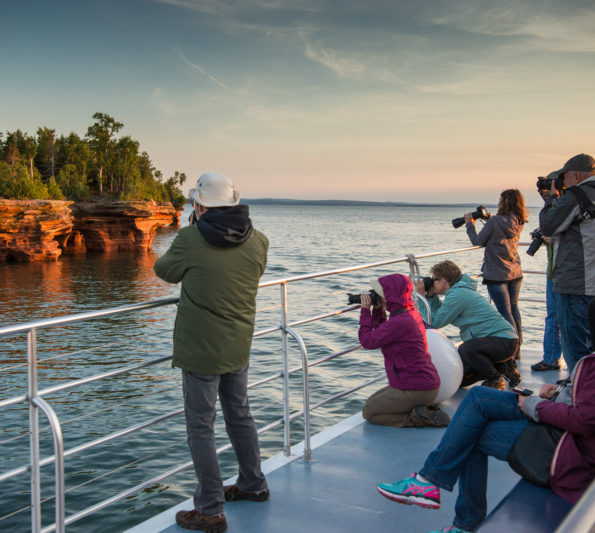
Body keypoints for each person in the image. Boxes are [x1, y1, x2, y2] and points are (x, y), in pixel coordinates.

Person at [375, 301, 595, 533]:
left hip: (569, 454)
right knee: (474, 415)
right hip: (565, 439)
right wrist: (558, 394)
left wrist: (534, 405)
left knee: (476, 408)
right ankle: (438, 494)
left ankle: (433, 489)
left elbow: (585, 420)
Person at [154, 172, 270, 533]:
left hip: (200, 349)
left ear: (199, 206)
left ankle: (210, 509)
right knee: (241, 416)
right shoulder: (259, 241)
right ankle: (253, 483)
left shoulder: (190, 237)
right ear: (235, 203)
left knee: (201, 428)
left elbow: (164, 271)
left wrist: (194, 230)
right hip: (238, 344)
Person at [358, 273, 449, 428]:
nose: (380, 299)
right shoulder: (410, 313)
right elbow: (384, 333)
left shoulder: (400, 322)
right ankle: (422, 409)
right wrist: (379, 311)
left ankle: (415, 418)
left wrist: (365, 311)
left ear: (391, 296)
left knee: (369, 411)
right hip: (424, 384)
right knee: (374, 399)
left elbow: (367, 341)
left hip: (417, 387)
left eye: (382, 295)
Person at [415, 260, 520, 390]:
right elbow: (439, 315)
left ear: (442, 281)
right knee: (458, 381)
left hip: (504, 341)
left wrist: (421, 297)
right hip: (501, 341)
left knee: (466, 349)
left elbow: (434, 323)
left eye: (434, 280)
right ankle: (503, 366)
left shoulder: (458, 295)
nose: (432, 282)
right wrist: (431, 297)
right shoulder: (459, 292)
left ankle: (495, 379)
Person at [540, 153, 595, 372]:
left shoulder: (577, 195)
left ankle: (580, 397)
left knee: (575, 348)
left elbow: (548, 226)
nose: (563, 182)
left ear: (576, 176)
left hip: (577, 284)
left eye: (564, 177)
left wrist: (552, 200)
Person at [464, 189, 528, 355]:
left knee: (505, 313)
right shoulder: (519, 220)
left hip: (496, 274)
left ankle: (512, 349)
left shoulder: (496, 222)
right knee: (514, 309)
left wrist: (469, 223)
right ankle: (518, 346)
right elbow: (501, 228)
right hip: (515, 272)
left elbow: (477, 241)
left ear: (504, 202)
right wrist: (490, 219)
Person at [532, 172, 563, 372]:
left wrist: (556, 239)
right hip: (553, 273)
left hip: (565, 275)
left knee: (567, 320)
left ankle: (576, 365)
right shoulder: (556, 207)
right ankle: (551, 358)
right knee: (553, 317)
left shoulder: (570, 206)